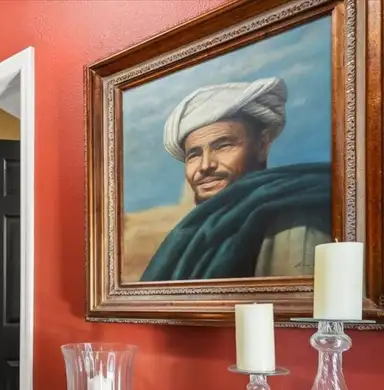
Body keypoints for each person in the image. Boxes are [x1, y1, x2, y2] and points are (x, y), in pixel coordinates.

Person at [140, 77, 331, 282]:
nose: (205, 165)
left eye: (223, 146)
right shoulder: (195, 231)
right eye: (194, 155)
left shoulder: (295, 220)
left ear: (262, 145)